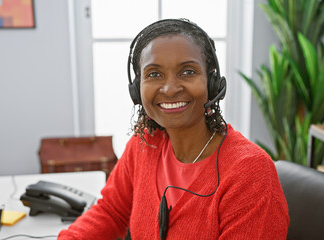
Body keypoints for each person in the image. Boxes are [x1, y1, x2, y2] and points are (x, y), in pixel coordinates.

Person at [58, 19, 289, 240]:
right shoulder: (144, 144)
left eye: (188, 72)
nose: (169, 89)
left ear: (212, 84)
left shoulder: (250, 173)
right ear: (137, 90)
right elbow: (111, 212)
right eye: (154, 74)